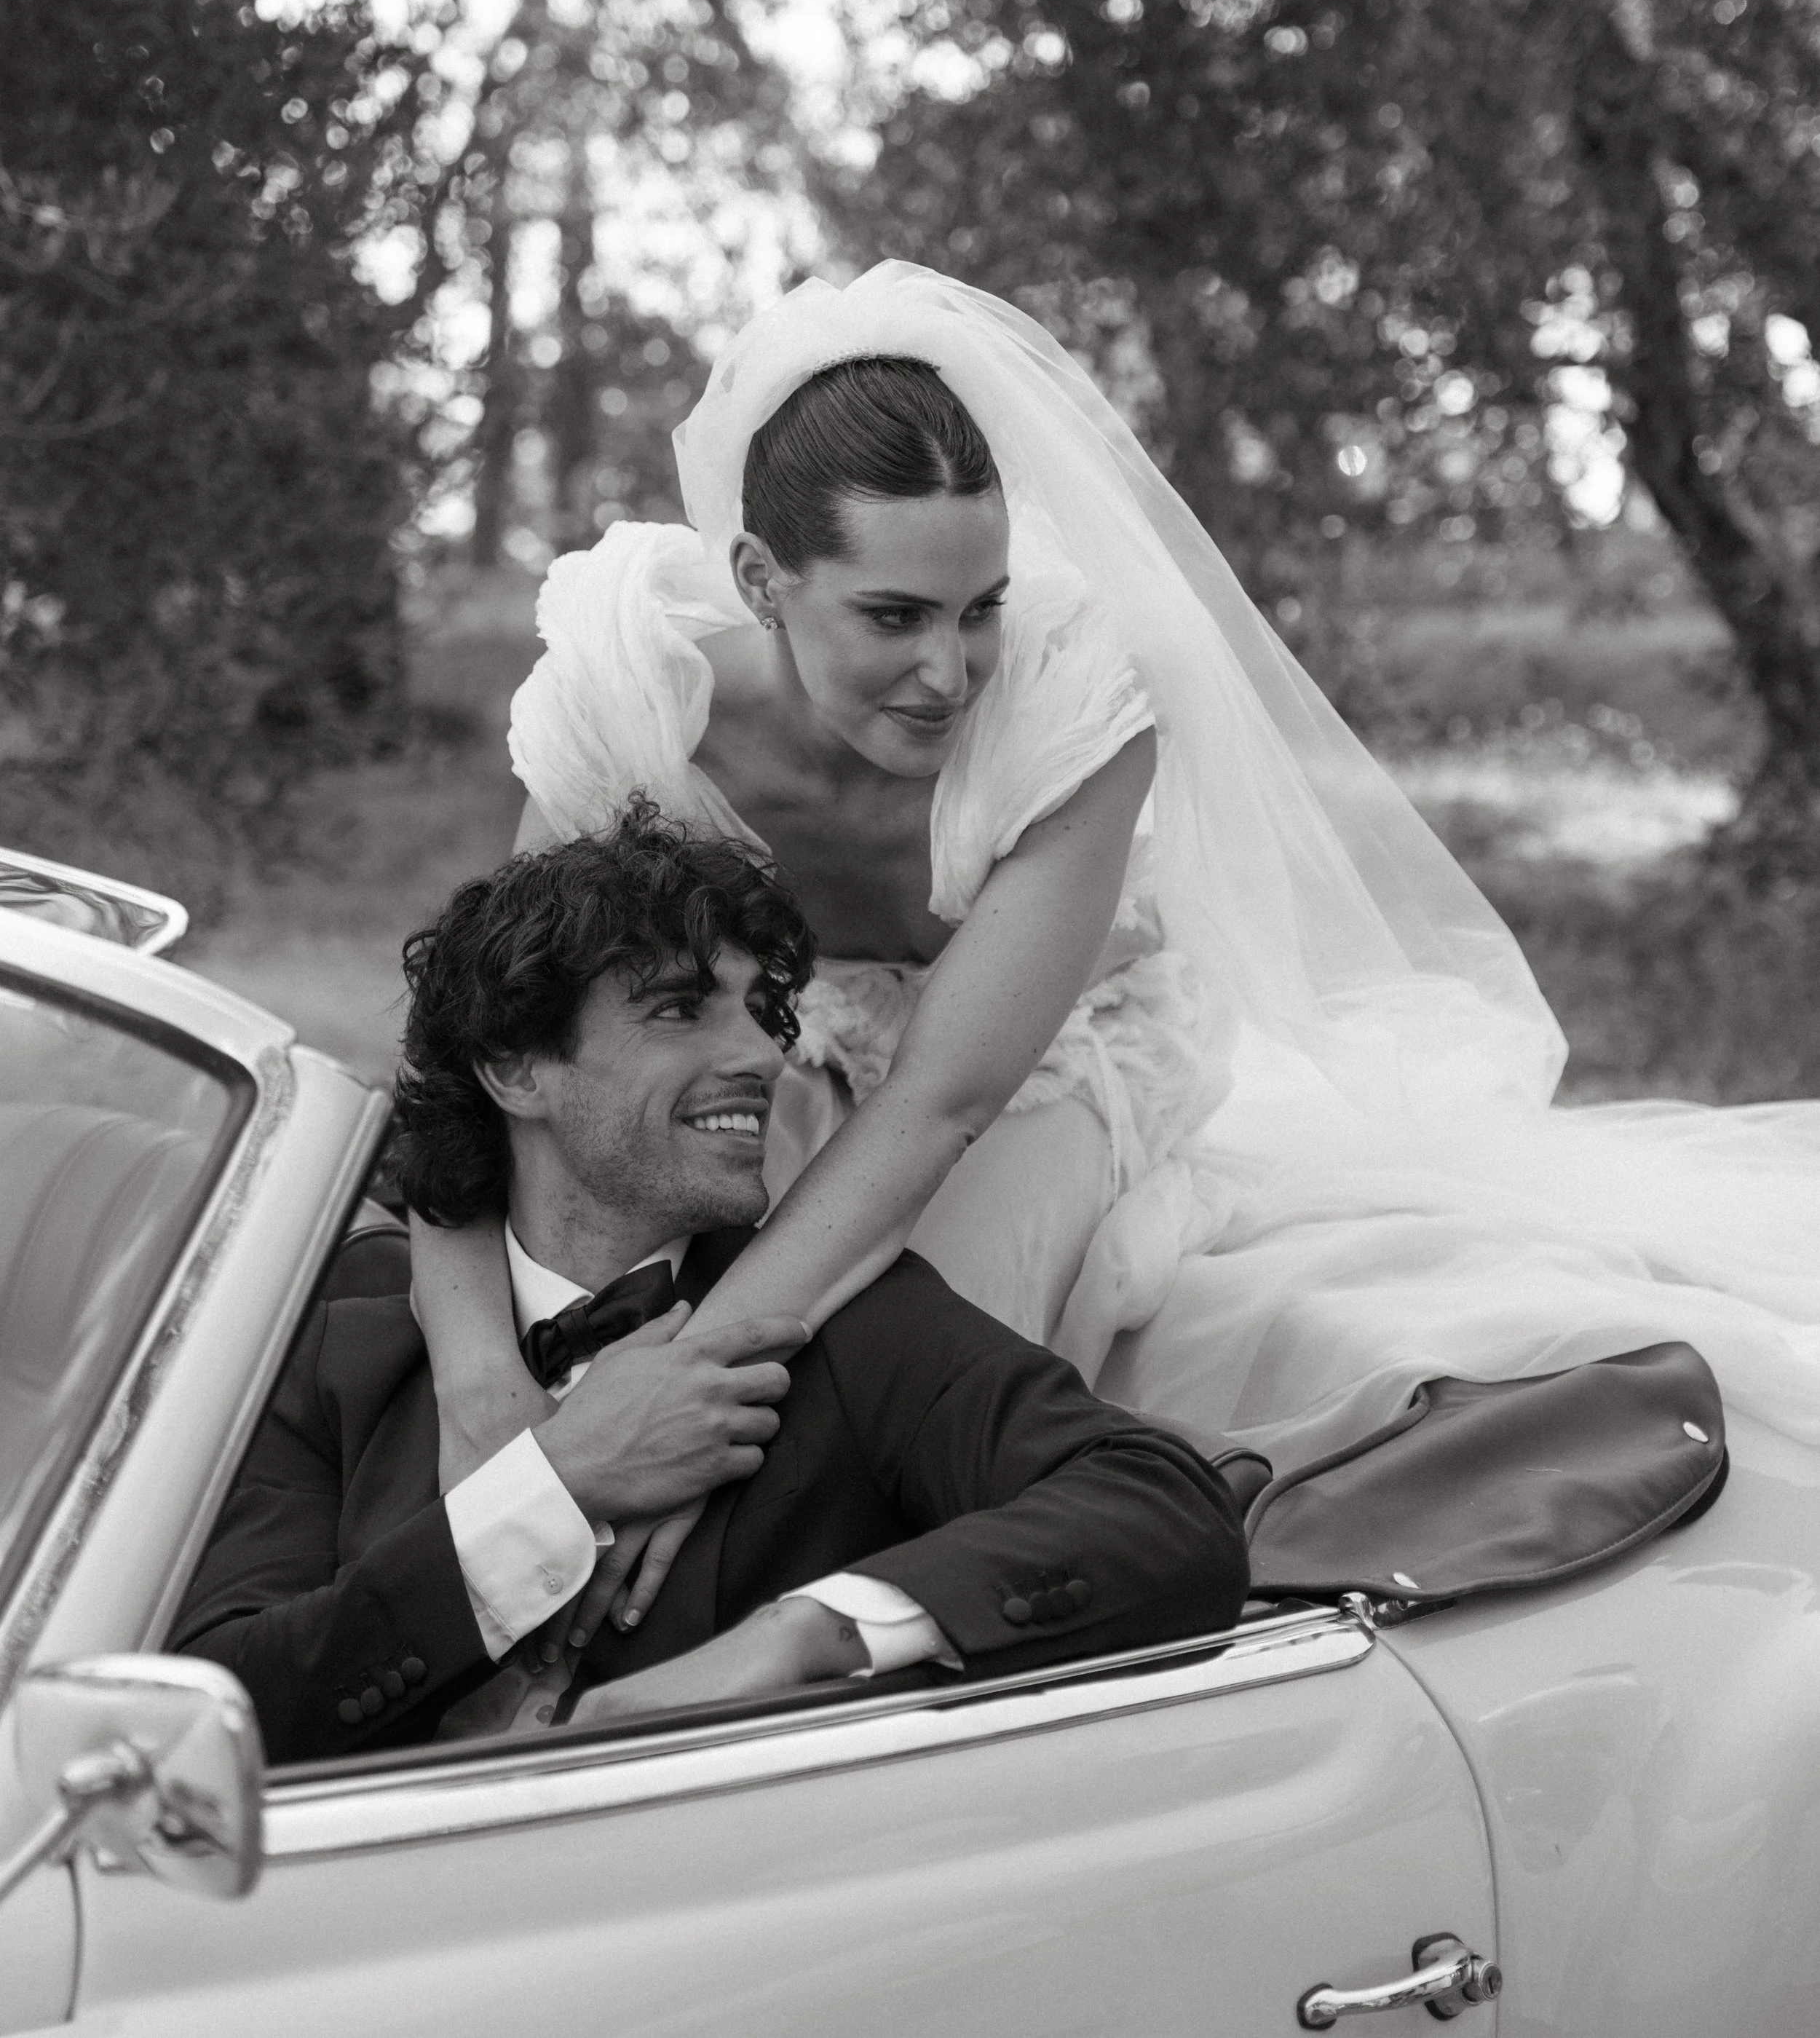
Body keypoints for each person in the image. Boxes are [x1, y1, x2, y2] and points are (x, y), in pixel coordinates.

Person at [415, 261, 1820, 1641]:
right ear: (761, 580)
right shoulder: (635, 684)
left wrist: (699, 1382)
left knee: (878, 1391)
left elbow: (942, 1102)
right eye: (892, 616)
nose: (948, 674)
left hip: (1036, 1068)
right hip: (782, 1046)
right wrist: (478, 1373)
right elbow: (493, 1034)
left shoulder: (1078, 698)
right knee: (586, 1301)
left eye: (980, 607)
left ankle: (795, 1676)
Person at [173, 813, 1247, 1764]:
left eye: (761, 1014)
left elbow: (1168, 1510)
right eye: (681, 1010)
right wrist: (557, 1481)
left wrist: (805, 1635)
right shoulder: (330, 1334)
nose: (764, 1056)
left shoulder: (848, 1328)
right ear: (517, 1069)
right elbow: (217, 1710)